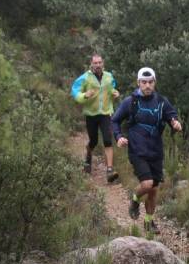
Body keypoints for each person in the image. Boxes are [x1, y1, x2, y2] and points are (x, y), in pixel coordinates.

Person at [111, 67, 182, 234]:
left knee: (153, 190)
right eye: (144, 82)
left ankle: (149, 222)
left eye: (150, 82)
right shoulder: (131, 102)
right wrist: (119, 137)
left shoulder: (162, 102)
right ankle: (135, 199)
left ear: (154, 83)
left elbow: (172, 115)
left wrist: (175, 123)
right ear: (138, 83)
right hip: (137, 150)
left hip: (156, 152)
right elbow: (114, 121)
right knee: (147, 184)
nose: (147, 85)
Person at [71, 54, 121, 182]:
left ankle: (110, 170)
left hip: (105, 112)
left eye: (100, 62)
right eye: (95, 63)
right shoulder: (85, 78)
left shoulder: (109, 76)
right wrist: (84, 95)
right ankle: (88, 156)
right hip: (91, 114)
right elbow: (75, 91)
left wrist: (115, 93)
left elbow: (112, 87)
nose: (98, 65)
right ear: (91, 64)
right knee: (93, 140)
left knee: (107, 139)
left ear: (103, 63)